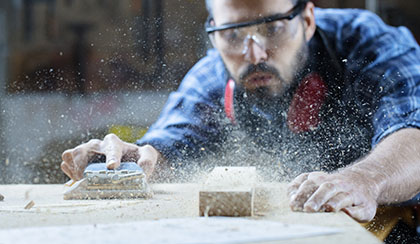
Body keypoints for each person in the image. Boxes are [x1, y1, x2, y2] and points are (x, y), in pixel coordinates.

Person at [61, 0, 420, 226]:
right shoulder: (214, 74)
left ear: (307, 20)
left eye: (272, 28)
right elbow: (167, 143)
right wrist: (136, 158)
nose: (254, 54)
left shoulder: (368, 42)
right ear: (213, 35)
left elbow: (413, 133)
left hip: (397, 221)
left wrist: (365, 180)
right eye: (233, 35)